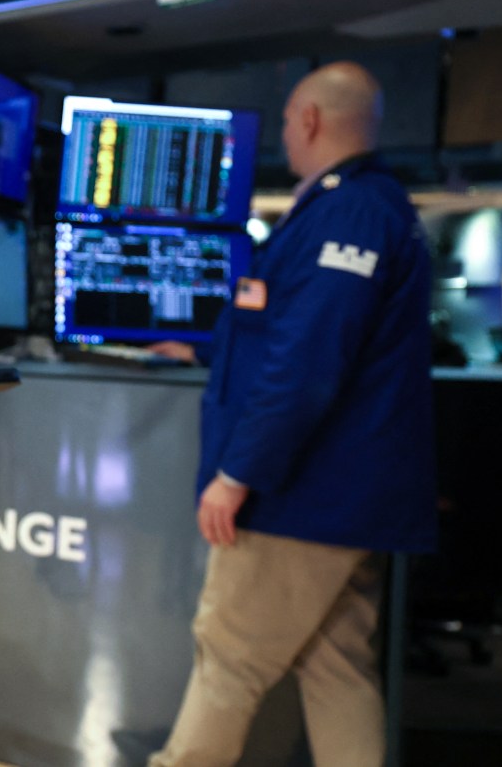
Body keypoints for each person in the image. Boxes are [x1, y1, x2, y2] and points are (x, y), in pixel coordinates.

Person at [147, 62, 437, 767]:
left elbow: (310, 357)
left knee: (229, 658)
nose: (284, 133)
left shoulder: (351, 211)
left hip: (300, 498)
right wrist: (205, 350)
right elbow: (289, 331)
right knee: (337, 666)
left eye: (285, 121)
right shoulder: (364, 206)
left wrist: (237, 472)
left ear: (308, 119)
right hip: (338, 502)